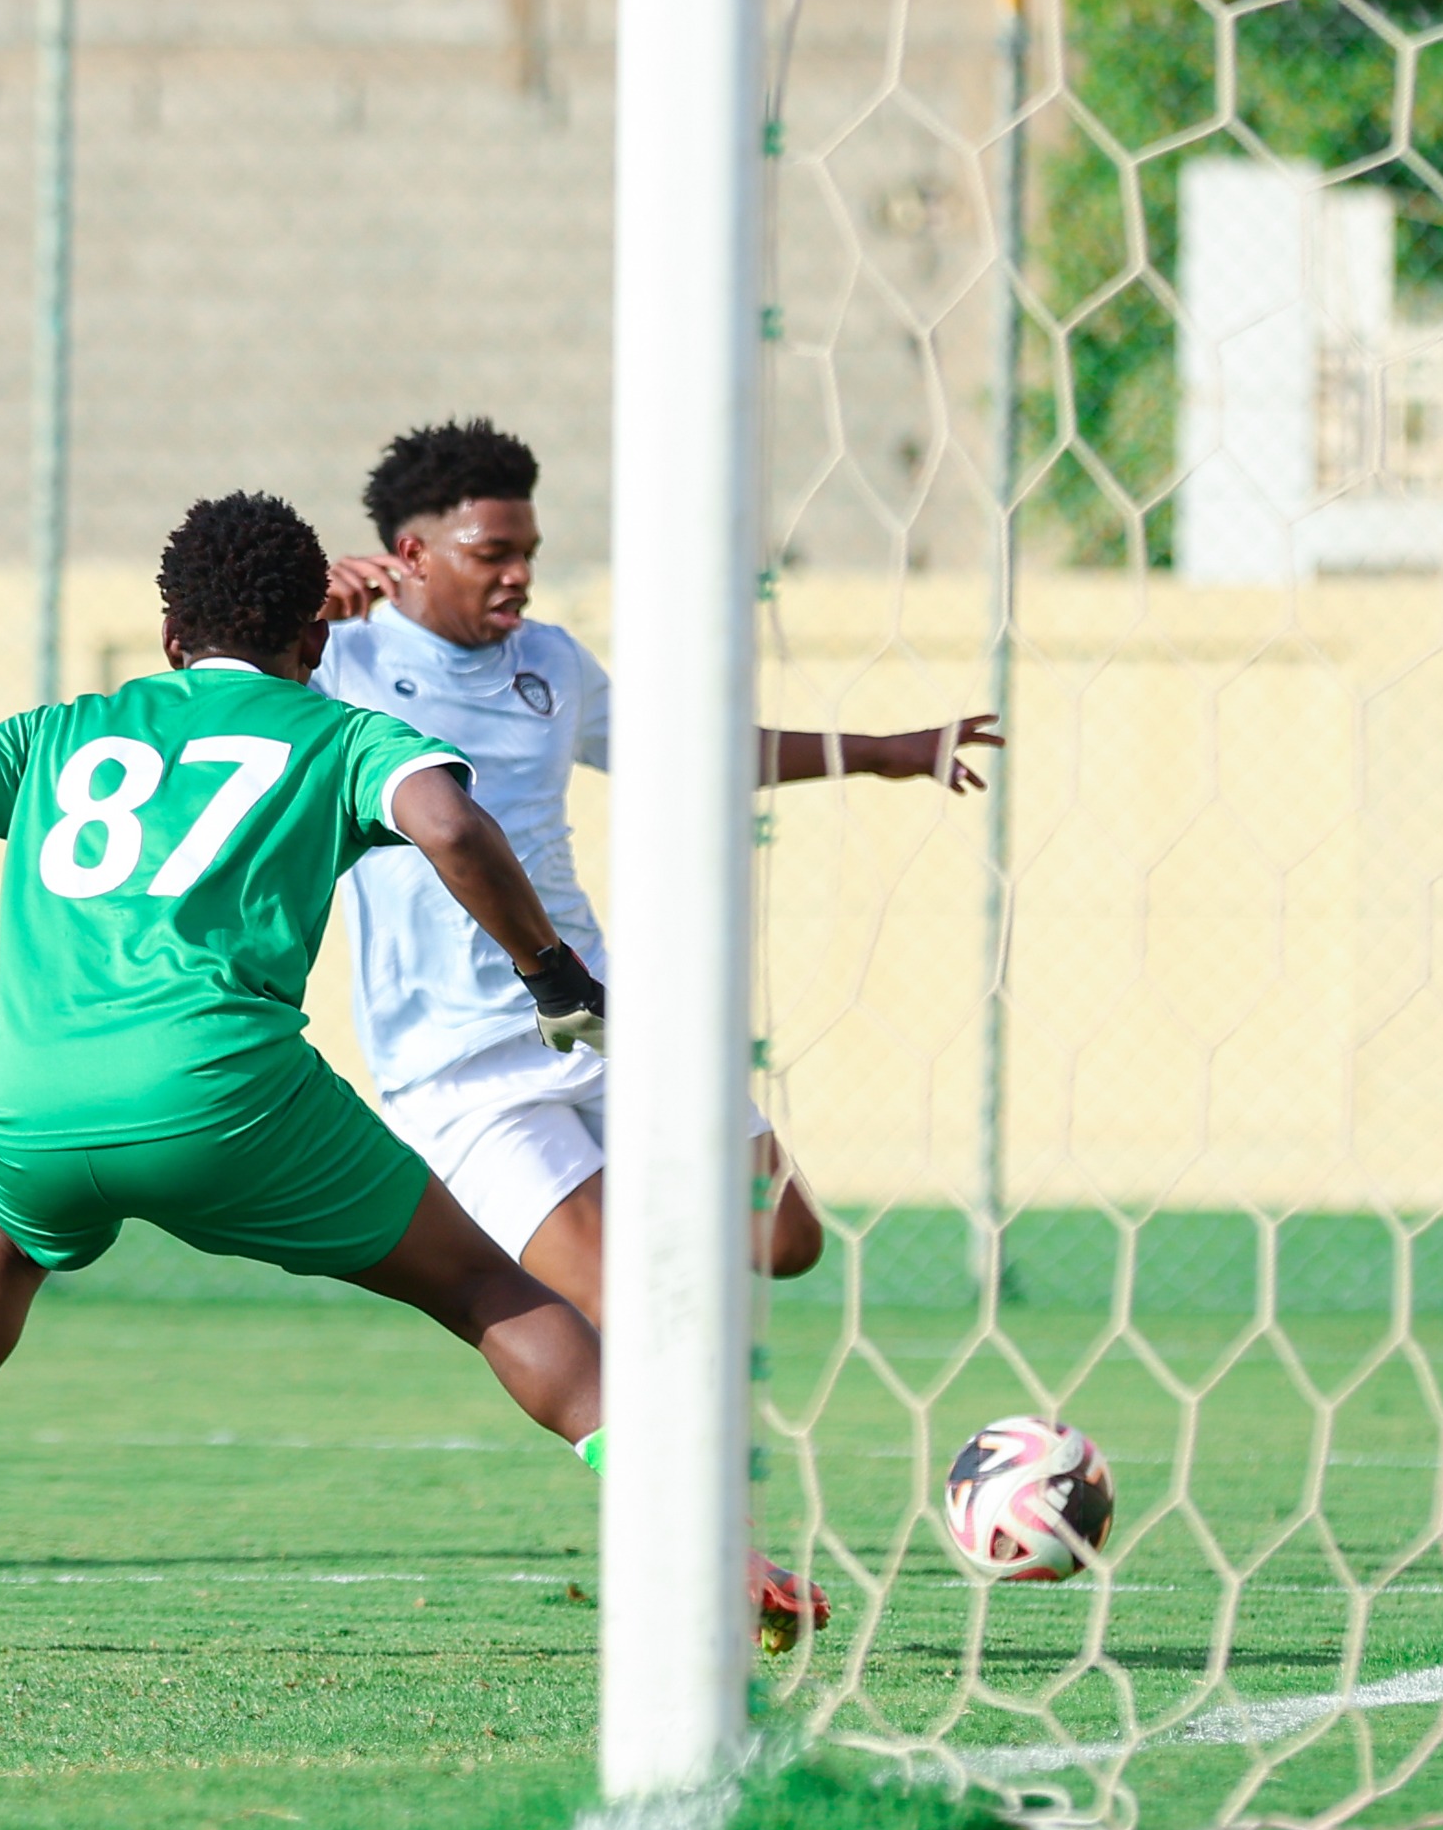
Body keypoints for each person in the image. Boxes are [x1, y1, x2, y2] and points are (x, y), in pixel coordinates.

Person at [0, 488, 613, 1638]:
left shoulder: (60, 730)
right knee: (487, 1290)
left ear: (172, 633)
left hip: (31, 1102)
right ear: (315, 639)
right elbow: (452, 827)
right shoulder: (340, 734)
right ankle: (697, 1533)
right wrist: (552, 976)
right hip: (225, 1097)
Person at [315, 417, 1001, 1331]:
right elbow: (199, 678)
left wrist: (881, 751)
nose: (518, 573)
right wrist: (294, 617)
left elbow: (690, 752)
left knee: (785, 1239)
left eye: (529, 552)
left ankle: (621, 1268)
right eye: (492, 554)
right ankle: (602, 1302)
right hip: (460, 1062)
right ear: (412, 555)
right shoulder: (334, 661)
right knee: (625, 1311)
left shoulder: (552, 661)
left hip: (597, 1013)